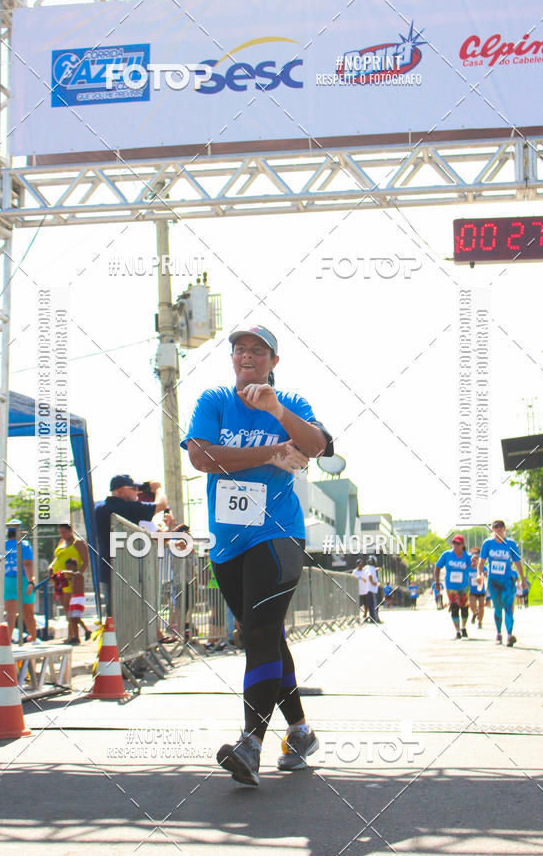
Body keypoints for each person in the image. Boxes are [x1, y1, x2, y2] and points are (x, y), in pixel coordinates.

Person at [182, 324, 333, 786]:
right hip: (228, 542)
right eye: (239, 349)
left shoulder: (292, 403)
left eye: (258, 350)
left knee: (263, 630)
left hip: (278, 534)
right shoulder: (214, 402)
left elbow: (316, 447)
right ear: (232, 358)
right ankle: (301, 731)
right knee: (260, 633)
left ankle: (251, 743)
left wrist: (277, 411)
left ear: (273, 361)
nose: (247, 355)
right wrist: (270, 453)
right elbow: (204, 458)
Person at [95, 475, 174, 616]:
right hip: (127, 572)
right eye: (133, 488)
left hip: (108, 571)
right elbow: (161, 505)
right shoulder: (128, 508)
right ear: (120, 491)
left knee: (114, 618)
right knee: (131, 616)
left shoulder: (99, 507)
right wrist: (158, 488)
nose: (137, 492)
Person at [478, 520, 527, 647]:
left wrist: (522, 579)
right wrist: (479, 574)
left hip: (507, 581)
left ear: (504, 529)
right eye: (495, 527)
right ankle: (499, 633)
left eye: (500, 527)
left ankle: (510, 634)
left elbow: (517, 562)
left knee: (508, 606)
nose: (498, 529)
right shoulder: (488, 544)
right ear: (493, 530)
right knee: (498, 608)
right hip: (494, 581)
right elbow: (481, 561)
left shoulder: (510, 543)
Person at [4, 522, 36, 643]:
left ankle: (6, 641)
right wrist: (30, 581)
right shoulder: (24, 544)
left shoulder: (4, 545)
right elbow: (27, 563)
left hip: (8, 580)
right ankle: (33, 638)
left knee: (10, 614)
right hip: (22, 579)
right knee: (28, 612)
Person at [435, 535, 471, 639]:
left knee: (464, 608)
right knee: (454, 607)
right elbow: (437, 567)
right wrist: (437, 583)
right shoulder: (447, 555)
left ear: (462, 545)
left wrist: (475, 563)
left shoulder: (467, 556)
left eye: (458, 543)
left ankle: (464, 627)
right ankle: (457, 630)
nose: (455, 545)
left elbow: (473, 566)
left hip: (464, 586)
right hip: (451, 586)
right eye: (454, 543)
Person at [62, 559, 92, 644]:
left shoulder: (79, 574)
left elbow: (75, 574)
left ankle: (85, 631)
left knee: (75, 618)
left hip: (79, 598)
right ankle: (77, 636)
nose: (68, 569)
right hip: (74, 598)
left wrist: (65, 571)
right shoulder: (73, 577)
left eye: (69, 567)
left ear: (74, 566)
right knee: (73, 619)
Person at [469, 549, 486, 630]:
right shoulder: (468, 568)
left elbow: (486, 575)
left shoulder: (482, 567)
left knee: (481, 606)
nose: (474, 560)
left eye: (476, 559)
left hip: (481, 590)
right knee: (472, 605)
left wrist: (484, 575)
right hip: (472, 590)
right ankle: (475, 613)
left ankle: (480, 622)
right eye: (473, 559)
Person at [364, 555, 381, 623]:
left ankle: (372, 618)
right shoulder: (372, 568)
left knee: (370, 605)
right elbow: (370, 575)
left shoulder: (367, 567)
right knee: (375, 605)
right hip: (372, 590)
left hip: (367, 590)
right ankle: (375, 618)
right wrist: (373, 583)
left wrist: (376, 569)